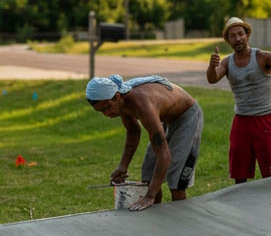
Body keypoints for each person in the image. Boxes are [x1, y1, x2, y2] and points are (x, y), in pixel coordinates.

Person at [206, 16, 271, 183]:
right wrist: (212, 65)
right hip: (241, 123)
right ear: (228, 40)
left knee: (270, 175)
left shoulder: (261, 56)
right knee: (239, 175)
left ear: (247, 35)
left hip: (265, 121)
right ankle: (242, 207)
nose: (238, 38)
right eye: (233, 35)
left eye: (241, 34)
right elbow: (212, 78)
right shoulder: (226, 63)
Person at [85, 74, 203, 211]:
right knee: (148, 175)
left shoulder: (143, 105)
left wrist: (150, 196)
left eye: (106, 107)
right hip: (165, 118)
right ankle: (155, 219)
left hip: (186, 115)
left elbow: (164, 155)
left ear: (117, 96)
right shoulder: (121, 102)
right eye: (101, 111)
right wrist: (123, 166)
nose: (106, 113)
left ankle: (182, 222)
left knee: (175, 180)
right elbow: (133, 132)